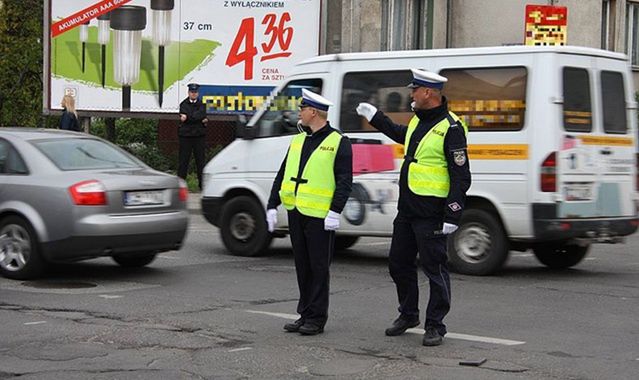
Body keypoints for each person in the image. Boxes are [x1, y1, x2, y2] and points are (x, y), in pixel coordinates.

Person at [356, 69, 471, 346]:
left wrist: (453, 212)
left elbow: (461, 175)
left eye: (415, 90)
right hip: (408, 208)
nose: (411, 95)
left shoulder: (451, 128)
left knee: (435, 268)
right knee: (398, 263)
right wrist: (376, 118)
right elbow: (401, 134)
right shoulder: (420, 121)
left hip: (432, 211)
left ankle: (436, 325)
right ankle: (408, 314)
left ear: (428, 93)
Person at [266, 89, 353, 335]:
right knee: (302, 266)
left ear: (313, 112)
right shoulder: (298, 140)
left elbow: (345, 181)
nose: (299, 113)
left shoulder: (338, 142)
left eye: (302, 109)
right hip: (297, 211)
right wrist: (272, 204)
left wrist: (335, 211)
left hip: (321, 216)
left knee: (318, 268)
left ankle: (316, 318)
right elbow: (283, 174)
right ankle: (304, 313)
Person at [178, 83, 208, 189]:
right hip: (185, 136)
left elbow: (198, 115)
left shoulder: (202, 105)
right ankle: (181, 186)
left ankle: (202, 186)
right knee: (183, 162)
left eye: (195, 92)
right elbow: (198, 117)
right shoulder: (183, 104)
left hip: (199, 136)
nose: (194, 94)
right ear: (188, 93)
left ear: (198, 93)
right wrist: (198, 119)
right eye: (192, 92)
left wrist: (189, 118)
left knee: (200, 162)